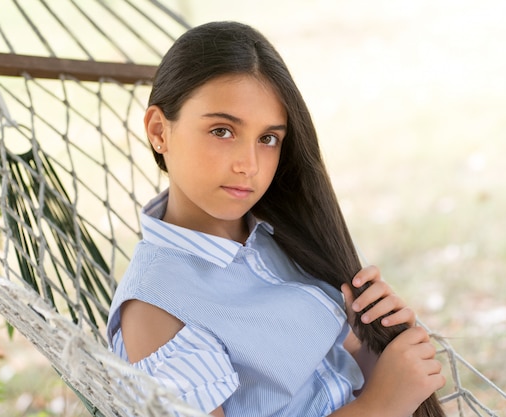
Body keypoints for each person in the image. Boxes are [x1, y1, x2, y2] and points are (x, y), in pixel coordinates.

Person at [106, 21, 445, 417]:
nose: (249, 165)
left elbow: (337, 370)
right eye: (222, 130)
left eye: (268, 139)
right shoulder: (156, 307)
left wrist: (383, 349)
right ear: (159, 131)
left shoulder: (285, 235)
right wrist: (382, 404)